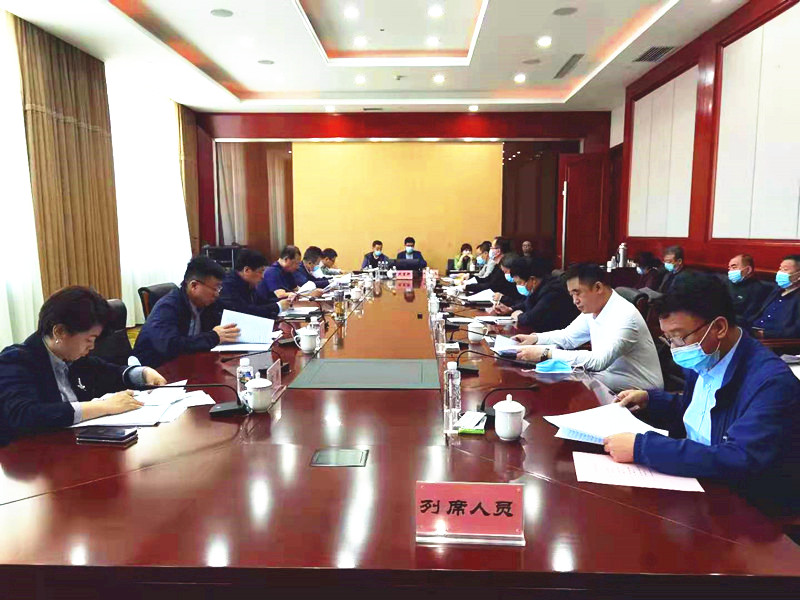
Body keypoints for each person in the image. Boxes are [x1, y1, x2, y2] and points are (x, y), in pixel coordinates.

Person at [605, 274, 800, 514]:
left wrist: (643, 448)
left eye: (679, 337)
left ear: (719, 328)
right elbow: (700, 412)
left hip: (741, 504)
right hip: (696, 476)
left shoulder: (771, 383)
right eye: (669, 338)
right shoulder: (705, 357)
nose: (675, 348)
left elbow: (739, 459)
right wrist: (650, 399)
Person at [0, 287, 167, 445]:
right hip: (34, 455)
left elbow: (107, 372)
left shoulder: (72, 357)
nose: (92, 347)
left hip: (74, 445)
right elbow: (24, 415)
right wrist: (103, 407)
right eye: (89, 339)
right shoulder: (16, 361)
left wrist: (142, 373)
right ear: (60, 332)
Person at [513, 263, 663, 393]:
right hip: (609, 377)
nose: (575, 301)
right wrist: (535, 338)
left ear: (598, 287)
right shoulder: (594, 308)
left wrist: (547, 353)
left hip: (642, 389)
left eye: (577, 293)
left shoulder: (625, 315)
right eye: (571, 295)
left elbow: (599, 361)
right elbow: (568, 337)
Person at [134, 256, 240, 367]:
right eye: (215, 289)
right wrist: (213, 337)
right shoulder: (167, 307)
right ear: (194, 286)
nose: (217, 294)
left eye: (219, 288)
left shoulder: (206, 303)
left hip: (188, 364)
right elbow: (170, 346)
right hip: (154, 369)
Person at [505, 256, 578, 330]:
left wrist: (518, 316)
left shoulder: (552, 291)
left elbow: (532, 318)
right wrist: (511, 309)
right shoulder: (538, 287)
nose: (518, 286)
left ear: (533, 279)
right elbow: (527, 303)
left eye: (520, 282)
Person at [219, 248, 287, 319]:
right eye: (260, 272)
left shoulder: (247, 283)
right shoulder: (229, 286)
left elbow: (261, 302)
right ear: (247, 270)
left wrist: (284, 301)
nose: (262, 277)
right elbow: (245, 312)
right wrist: (277, 306)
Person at [750, 254, 800, 339]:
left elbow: (795, 331)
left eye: (785, 269)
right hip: (753, 331)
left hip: (773, 340)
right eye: (780, 269)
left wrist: (765, 334)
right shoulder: (777, 290)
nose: (780, 273)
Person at [258, 245, 322, 302]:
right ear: (286, 259)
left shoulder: (288, 271)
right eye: (296, 263)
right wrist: (309, 294)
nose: (297, 267)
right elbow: (280, 295)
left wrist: (312, 291)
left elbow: (296, 290)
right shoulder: (272, 272)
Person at [726, 254, 771, 326]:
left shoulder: (758, 289)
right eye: (729, 268)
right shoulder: (726, 283)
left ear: (748, 270)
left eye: (734, 267)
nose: (730, 271)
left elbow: (748, 318)